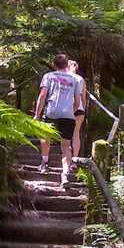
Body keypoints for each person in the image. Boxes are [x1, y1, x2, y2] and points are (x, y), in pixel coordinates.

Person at [33, 53, 83, 186]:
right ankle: (65, 174)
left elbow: (42, 96)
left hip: (51, 113)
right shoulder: (75, 79)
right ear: (67, 65)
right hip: (68, 115)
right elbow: (78, 102)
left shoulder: (48, 76)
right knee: (66, 146)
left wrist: (37, 114)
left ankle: (44, 162)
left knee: (45, 137)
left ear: (54, 65)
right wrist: (70, 112)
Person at [67, 60, 87, 165]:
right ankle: (75, 159)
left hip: (67, 108)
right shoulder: (81, 79)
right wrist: (83, 108)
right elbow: (83, 97)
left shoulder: (64, 77)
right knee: (76, 134)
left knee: (66, 135)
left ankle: (67, 159)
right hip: (79, 109)